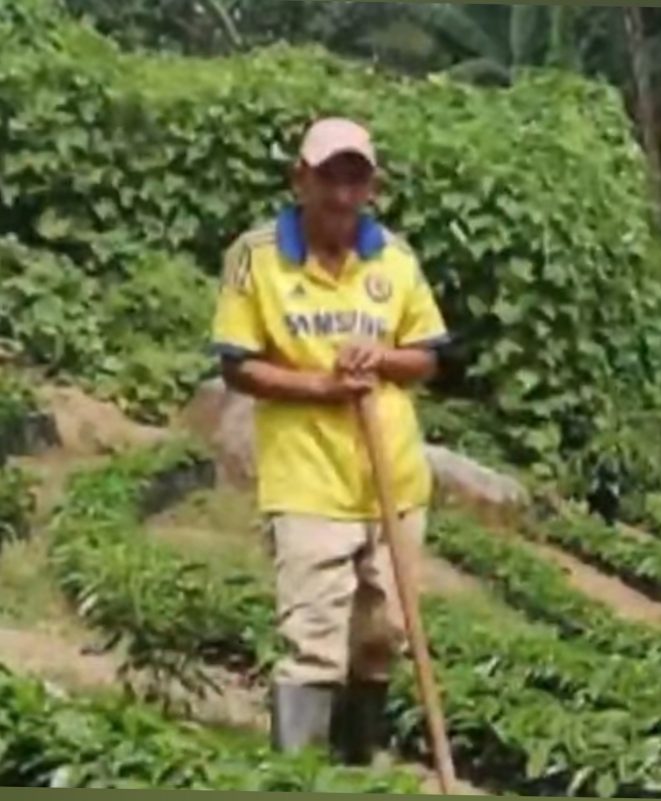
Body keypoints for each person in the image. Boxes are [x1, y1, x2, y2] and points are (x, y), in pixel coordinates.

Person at [209, 117, 450, 765]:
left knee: (384, 634)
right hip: (307, 477)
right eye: (329, 177)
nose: (342, 194)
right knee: (313, 635)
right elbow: (237, 362)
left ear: (372, 186)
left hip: (393, 479)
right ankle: (297, 776)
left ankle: (356, 765)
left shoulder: (394, 258)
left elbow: (425, 354)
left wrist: (382, 358)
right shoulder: (255, 256)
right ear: (301, 178)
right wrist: (322, 386)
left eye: (356, 179)